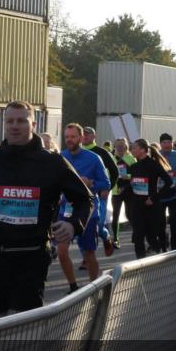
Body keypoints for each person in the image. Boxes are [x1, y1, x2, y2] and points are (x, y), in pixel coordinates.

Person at [0, 102, 92, 318]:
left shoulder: (52, 162)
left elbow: (84, 199)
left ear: (33, 124)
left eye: (21, 121)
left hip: (32, 258)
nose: (15, 126)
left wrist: (73, 225)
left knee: (24, 327)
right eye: (10, 121)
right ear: (4, 124)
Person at [56, 124, 111, 292]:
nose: (69, 140)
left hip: (88, 211)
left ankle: (94, 287)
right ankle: (73, 286)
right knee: (62, 251)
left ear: (81, 138)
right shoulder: (60, 157)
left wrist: (92, 183)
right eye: (66, 137)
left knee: (88, 253)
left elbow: (106, 183)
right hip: (66, 209)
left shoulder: (94, 158)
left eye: (73, 137)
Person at [126, 139, 174, 259]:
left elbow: (169, 182)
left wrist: (154, 198)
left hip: (151, 205)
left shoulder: (153, 164)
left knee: (151, 237)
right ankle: (140, 263)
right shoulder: (134, 166)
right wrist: (130, 184)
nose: (132, 150)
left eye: (134, 148)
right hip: (136, 205)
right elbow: (134, 183)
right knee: (138, 236)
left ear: (143, 150)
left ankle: (160, 255)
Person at [81, 126, 119, 257]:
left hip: (99, 192)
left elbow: (115, 172)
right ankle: (87, 256)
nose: (85, 136)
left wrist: (107, 188)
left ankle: (106, 236)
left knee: (99, 223)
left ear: (94, 136)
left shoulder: (101, 152)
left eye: (88, 134)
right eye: (83, 134)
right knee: (82, 225)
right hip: (81, 194)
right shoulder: (76, 152)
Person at [157, 133, 176, 250]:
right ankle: (163, 247)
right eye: (164, 142)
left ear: (172, 143)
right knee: (161, 224)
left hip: (175, 194)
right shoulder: (156, 156)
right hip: (160, 194)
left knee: (174, 223)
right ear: (160, 144)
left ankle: (175, 249)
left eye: (169, 142)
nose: (167, 144)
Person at [110, 137, 137, 248]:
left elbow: (136, 174)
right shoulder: (112, 158)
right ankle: (115, 239)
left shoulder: (131, 159)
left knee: (129, 214)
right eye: (117, 146)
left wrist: (128, 176)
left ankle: (136, 233)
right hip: (116, 191)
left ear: (126, 147)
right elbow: (108, 174)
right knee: (115, 215)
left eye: (122, 146)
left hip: (129, 190)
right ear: (114, 147)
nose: (119, 148)